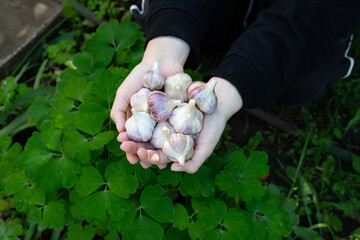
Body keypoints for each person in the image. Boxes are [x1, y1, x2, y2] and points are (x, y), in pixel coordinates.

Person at [110, 0, 360, 174]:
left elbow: (318, 12)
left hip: (310, 16)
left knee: (301, 81)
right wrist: (167, 41)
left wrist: (235, 83)